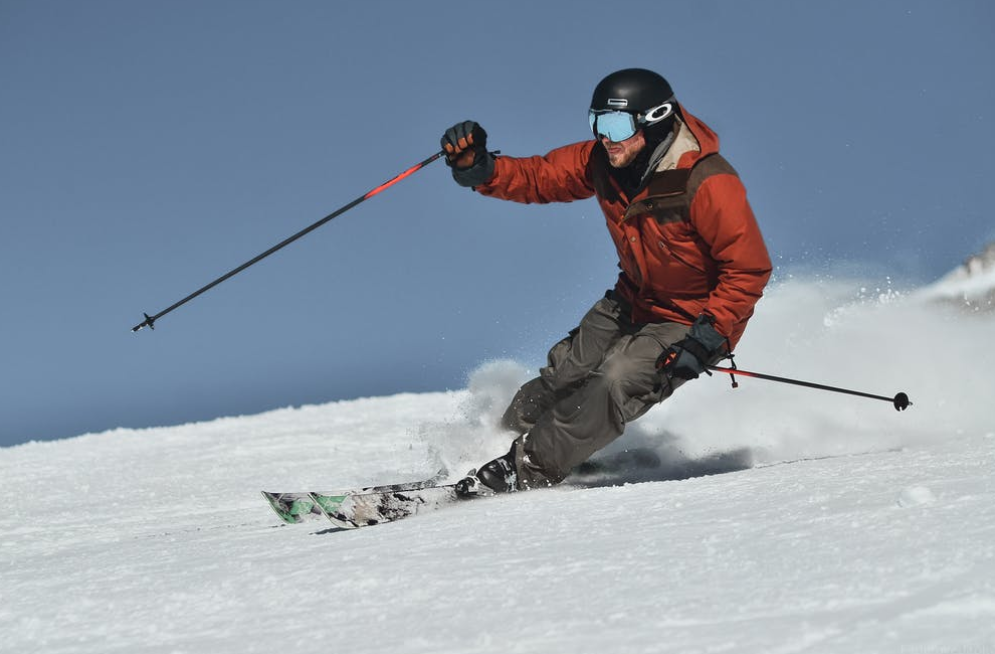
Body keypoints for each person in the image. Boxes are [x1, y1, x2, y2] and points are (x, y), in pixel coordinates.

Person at [441, 68, 772, 495]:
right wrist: (481, 170)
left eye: (616, 125)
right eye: (597, 124)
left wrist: (708, 336)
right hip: (631, 300)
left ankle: (525, 468)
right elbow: (541, 177)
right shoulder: (605, 161)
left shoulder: (707, 181)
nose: (605, 138)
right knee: (564, 372)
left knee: (615, 379)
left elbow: (748, 268)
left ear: (655, 119)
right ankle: (489, 446)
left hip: (692, 321)